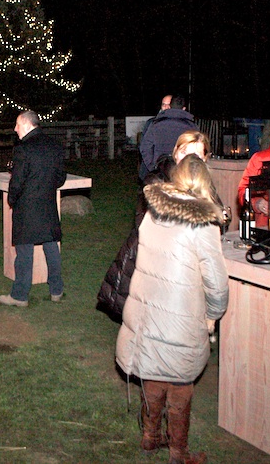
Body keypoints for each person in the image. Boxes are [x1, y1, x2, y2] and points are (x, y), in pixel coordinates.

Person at [116, 155, 229, 464]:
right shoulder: (203, 224)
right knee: (180, 381)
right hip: (181, 316)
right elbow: (217, 284)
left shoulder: (153, 213)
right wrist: (214, 313)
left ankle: (150, 437)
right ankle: (179, 453)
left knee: (154, 367)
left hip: (147, 308)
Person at [98, 131, 216, 322]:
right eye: (184, 152)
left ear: (205, 159)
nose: (189, 159)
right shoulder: (157, 181)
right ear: (175, 153)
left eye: (196, 154)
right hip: (151, 264)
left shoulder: (206, 188)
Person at [0, 111, 67, 308]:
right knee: (51, 246)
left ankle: (20, 296)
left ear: (27, 125)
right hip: (47, 205)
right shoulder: (55, 146)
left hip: (27, 207)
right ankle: (56, 290)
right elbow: (60, 177)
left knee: (24, 251)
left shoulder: (23, 149)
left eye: (17, 125)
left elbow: (17, 181)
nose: (15, 129)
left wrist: (12, 199)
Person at [139, 94, 198, 181]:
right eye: (163, 104)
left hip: (162, 172)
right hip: (180, 172)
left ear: (170, 106)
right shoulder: (192, 126)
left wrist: (152, 167)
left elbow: (145, 147)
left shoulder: (156, 124)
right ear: (184, 109)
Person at [137, 94, 172, 178]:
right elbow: (144, 146)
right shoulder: (151, 123)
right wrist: (152, 167)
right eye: (163, 104)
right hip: (153, 170)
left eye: (169, 105)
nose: (166, 107)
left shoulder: (182, 125)